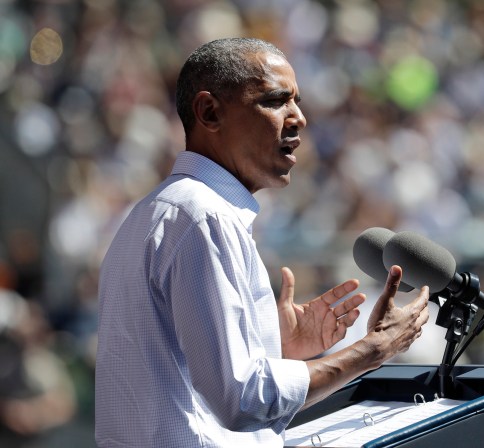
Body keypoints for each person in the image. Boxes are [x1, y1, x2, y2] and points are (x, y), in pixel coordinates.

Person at [95, 37, 430, 447]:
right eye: (275, 101)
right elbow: (241, 400)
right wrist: (372, 350)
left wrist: (276, 346)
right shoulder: (202, 216)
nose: (299, 118)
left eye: (297, 101)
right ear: (210, 112)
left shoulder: (165, 209)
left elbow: (185, 376)